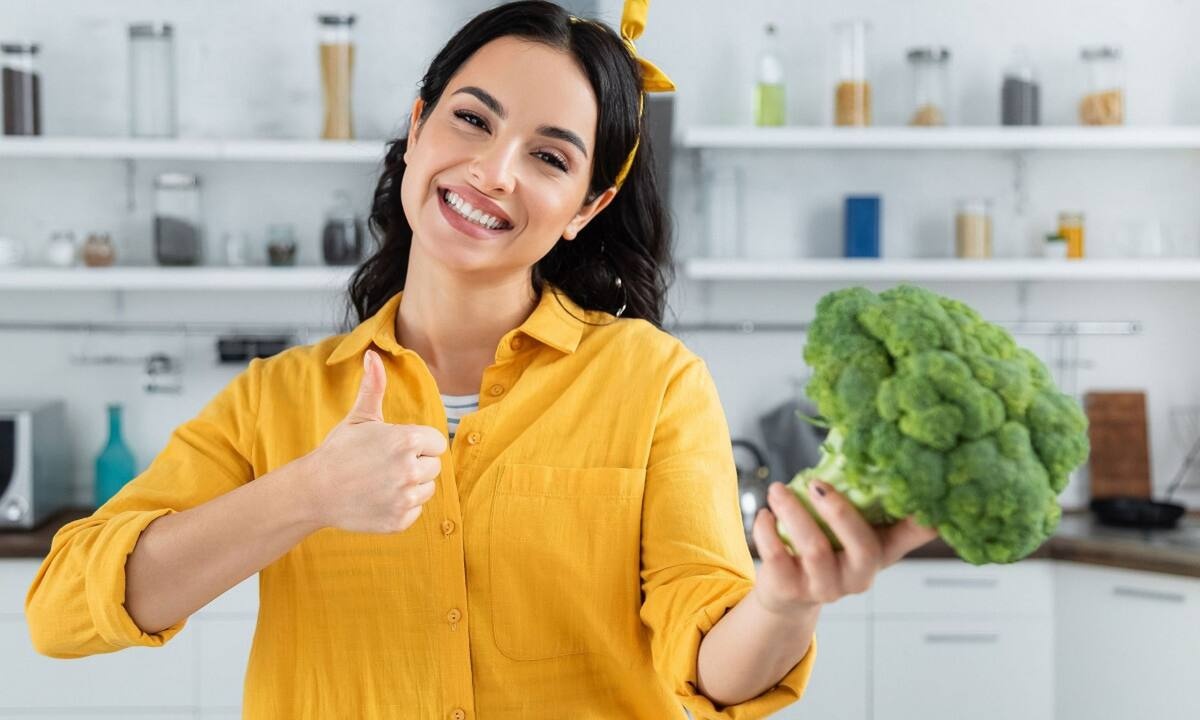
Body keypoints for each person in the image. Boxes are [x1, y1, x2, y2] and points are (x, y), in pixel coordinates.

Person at [25, 2, 936, 718]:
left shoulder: (652, 382)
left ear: (587, 204)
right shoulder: (279, 400)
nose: (495, 171)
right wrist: (308, 494)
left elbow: (711, 664)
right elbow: (62, 613)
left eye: (548, 155)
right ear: (419, 129)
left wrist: (782, 601)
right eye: (472, 120)